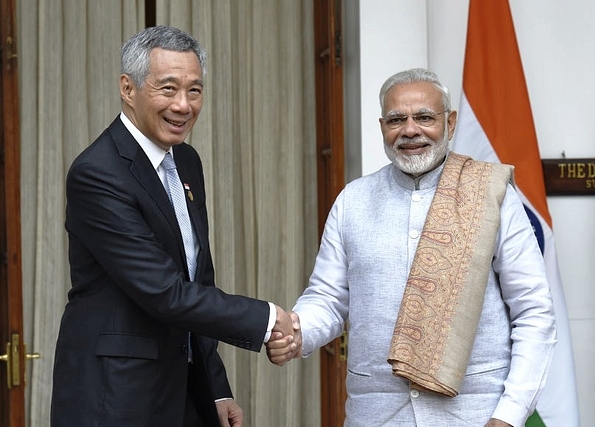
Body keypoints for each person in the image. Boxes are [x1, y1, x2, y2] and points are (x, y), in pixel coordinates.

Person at [267, 68, 557, 427]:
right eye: (396, 119)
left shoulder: (491, 196)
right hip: (377, 414)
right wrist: (297, 332)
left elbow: (533, 311)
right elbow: (327, 298)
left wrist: (509, 414)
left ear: (450, 123)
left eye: (424, 117)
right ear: (382, 127)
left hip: (475, 414)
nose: (409, 130)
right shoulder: (353, 200)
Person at [51, 26, 296, 427]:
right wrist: (268, 319)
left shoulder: (186, 161)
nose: (183, 105)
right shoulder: (97, 173)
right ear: (128, 89)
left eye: (194, 90)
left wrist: (215, 386)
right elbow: (164, 291)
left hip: (184, 391)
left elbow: (197, 279)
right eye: (168, 89)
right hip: (115, 397)